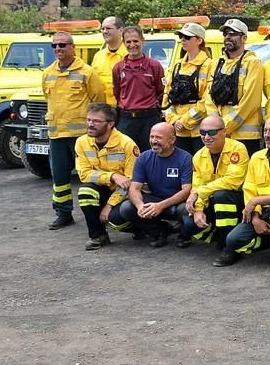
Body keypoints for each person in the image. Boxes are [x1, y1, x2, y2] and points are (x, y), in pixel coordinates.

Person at [41, 31, 105, 230]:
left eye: (62, 45)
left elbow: (99, 102)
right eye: (54, 46)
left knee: (91, 175)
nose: (58, 48)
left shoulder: (87, 72)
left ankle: (100, 212)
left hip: (82, 137)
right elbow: (47, 98)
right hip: (57, 135)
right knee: (59, 178)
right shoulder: (47, 73)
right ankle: (63, 213)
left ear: (72, 47)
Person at [222, 116, 270, 271]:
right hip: (261, 213)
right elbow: (249, 189)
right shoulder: (256, 157)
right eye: (265, 130)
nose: (267, 135)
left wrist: (258, 200)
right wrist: (255, 218)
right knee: (233, 240)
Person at [108, 122, 192, 246]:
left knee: (185, 210)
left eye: (158, 137)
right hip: (154, 199)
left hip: (176, 202)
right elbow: (134, 187)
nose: (154, 141)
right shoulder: (143, 158)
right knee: (126, 208)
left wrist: (161, 206)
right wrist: (140, 206)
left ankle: (184, 236)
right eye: (152, 137)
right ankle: (160, 232)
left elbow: (187, 190)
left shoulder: (185, 158)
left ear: (172, 140)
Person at [180, 115, 250, 264]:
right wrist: (198, 209)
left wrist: (200, 193)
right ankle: (218, 234)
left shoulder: (237, 149)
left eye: (212, 132)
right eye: (202, 132)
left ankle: (230, 248)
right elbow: (197, 185)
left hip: (237, 200)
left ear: (224, 132)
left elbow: (233, 182)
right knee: (188, 223)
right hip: (211, 200)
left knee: (222, 195)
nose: (206, 137)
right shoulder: (198, 156)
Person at [74, 102, 139, 250]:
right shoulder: (81, 142)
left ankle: (144, 228)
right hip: (104, 188)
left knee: (115, 219)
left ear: (110, 124)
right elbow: (84, 175)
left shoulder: (127, 144)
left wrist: (110, 205)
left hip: (125, 193)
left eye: (96, 121)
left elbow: (131, 181)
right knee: (86, 192)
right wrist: (111, 176)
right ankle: (98, 236)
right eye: (88, 120)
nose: (90, 124)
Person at [204, 18, 265, 157]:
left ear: (244, 38)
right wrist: (216, 125)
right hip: (219, 134)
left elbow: (250, 102)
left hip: (245, 136)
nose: (228, 37)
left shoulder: (253, 63)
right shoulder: (217, 63)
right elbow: (208, 97)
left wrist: (224, 126)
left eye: (232, 33)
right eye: (225, 34)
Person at [112, 26, 165, 151]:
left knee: (152, 155)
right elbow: (117, 92)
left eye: (135, 41)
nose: (132, 45)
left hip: (149, 119)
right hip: (126, 120)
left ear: (142, 40)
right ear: (123, 43)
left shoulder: (154, 66)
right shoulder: (118, 68)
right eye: (128, 42)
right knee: (125, 155)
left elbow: (161, 92)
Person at [162, 21, 211, 155]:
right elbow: (167, 95)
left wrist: (185, 121)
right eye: (181, 36)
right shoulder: (177, 65)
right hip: (178, 130)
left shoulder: (209, 65)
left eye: (187, 37)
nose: (183, 40)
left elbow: (207, 100)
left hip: (199, 130)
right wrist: (173, 119)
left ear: (199, 40)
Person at [92, 16, 127, 106]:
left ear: (120, 30)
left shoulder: (129, 55)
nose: (104, 31)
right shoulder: (98, 56)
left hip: (123, 109)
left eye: (108, 28)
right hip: (102, 108)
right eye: (102, 29)